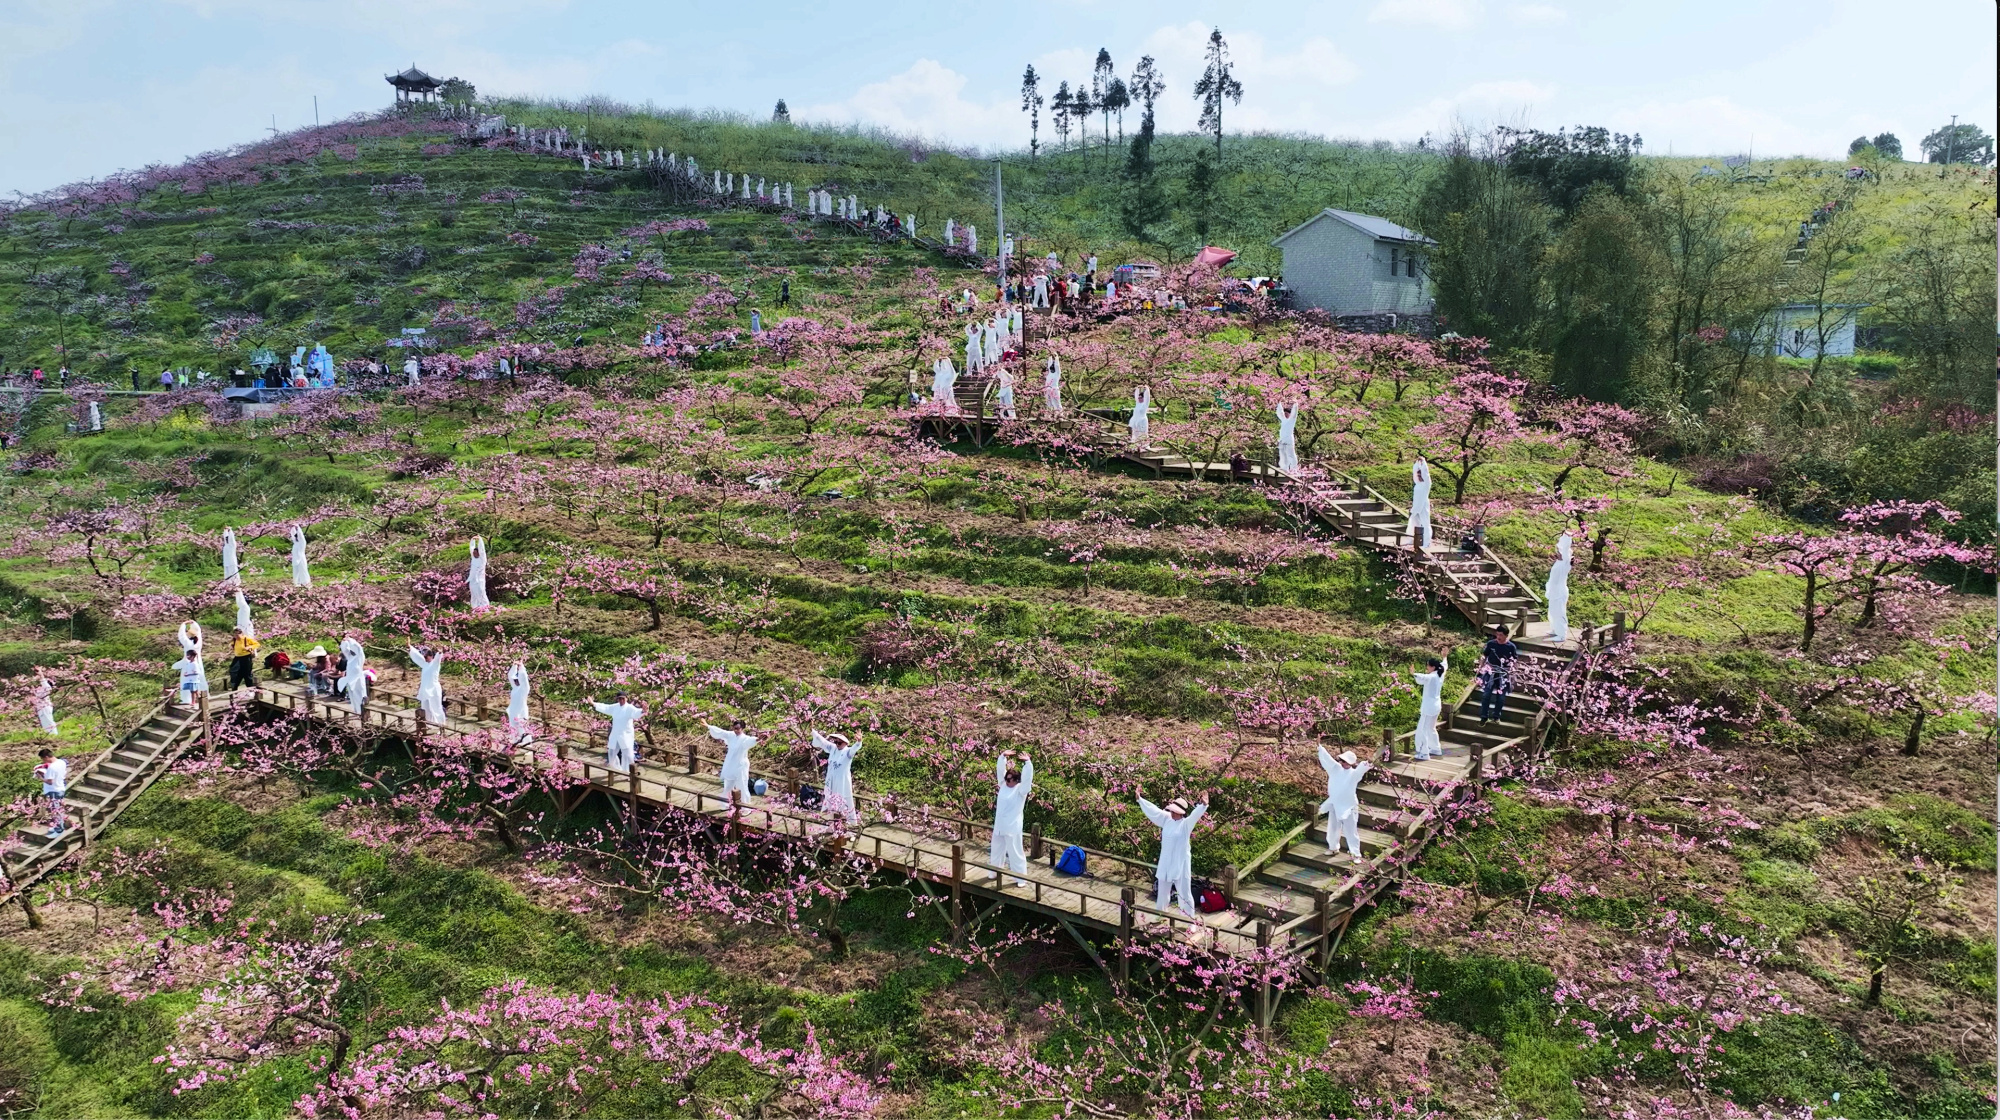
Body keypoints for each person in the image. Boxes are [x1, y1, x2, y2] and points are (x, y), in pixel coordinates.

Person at [1138, 792, 1209, 916]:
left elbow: (1195, 815)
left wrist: (1203, 805)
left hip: (1180, 863)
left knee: (1184, 893)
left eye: (1174, 811)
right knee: (1162, 892)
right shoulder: (1167, 819)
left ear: (1181, 813)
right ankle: (1160, 915)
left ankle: (1189, 920)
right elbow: (1154, 811)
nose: (1171, 813)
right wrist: (1140, 800)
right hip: (1166, 861)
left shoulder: (1186, 824)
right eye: (1171, 811)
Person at [1317, 746, 1373, 859]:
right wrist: (1320, 748)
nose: (1341, 762)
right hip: (1335, 803)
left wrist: (1368, 763)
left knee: (1350, 831)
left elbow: (1361, 769)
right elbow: (1328, 760)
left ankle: (1356, 854)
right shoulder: (1336, 769)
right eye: (1341, 760)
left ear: (1349, 762)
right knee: (1332, 827)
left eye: (1344, 761)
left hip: (1349, 805)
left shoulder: (1354, 774)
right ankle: (1333, 848)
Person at [990, 750, 1034, 886]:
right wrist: (1003, 756)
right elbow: (1000, 770)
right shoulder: (1003, 786)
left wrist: (1027, 763)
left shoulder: (1021, 790)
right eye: (1006, 778)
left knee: (1015, 852)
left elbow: (1027, 779)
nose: (1006, 780)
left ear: (1016, 780)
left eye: (1009, 779)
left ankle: (1021, 878)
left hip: (1012, 826)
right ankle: (994, 871)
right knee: (996, 850)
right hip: (999, 826)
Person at [814, 731, 861, 824]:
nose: (837, 744)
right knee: (830, 799)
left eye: (839, 743)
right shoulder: (833, 749)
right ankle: (831, 823)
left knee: (843, 800)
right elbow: (823, 742)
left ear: (846, 743)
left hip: (842, 781)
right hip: (831, 779)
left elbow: (854, 749)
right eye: (836, 742)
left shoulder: (848, 752)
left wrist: (859, 742)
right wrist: (813, 732)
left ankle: (846, 823)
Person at [708, 719, 757, 804]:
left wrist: (759, 739)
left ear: (742, 728)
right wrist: (708, 726)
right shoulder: (731, 735)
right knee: (728, 785)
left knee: (742, 786)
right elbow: (721, 732)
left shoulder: (745, 738)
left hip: (741, 765)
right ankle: (725, 804)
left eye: (738, 728)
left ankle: (745, 806)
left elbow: (752, 740)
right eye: (734, 728)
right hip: (730, 763)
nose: (736, 730)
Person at [592, 692, 644, 771]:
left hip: (626, 734)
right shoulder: (615, 707)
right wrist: (593, 703)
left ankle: (630, 772)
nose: (621, 700)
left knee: (628, 755)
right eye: (620, 699)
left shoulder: (629, 708)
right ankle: (614, 769)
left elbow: (636, 713)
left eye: (623, 698)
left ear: (626, 698)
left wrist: (643, 711)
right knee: (611, 752)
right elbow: (606, 707)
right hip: (615, 733)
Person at [1477, 625, 1517, 724]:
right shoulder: (1491, 644)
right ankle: (1484, 716)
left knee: (1501, 697)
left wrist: (1512, 670)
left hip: (1503, 672)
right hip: (1490, 670)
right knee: (1486, 694)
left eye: (1501, 635)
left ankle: (1496, 717)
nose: (1498, 637)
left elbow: (1514, 661)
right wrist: (1480, 667)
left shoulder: (1511, 647)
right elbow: (1484, 655)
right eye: (1497, 634)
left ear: (1506, 636)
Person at [1412, 657, 1447, 760]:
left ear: (1433, 667)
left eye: (1428, 665)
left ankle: (1424, 753)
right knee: (1431, 728)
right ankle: (1436, 749)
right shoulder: (1440, 675)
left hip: (1429, 707)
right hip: (1436, 706)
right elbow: (1445, 665)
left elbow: (1423, 678)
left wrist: (1413, 673)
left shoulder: (1432, 677)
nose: (1427, 667)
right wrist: (1444, 657)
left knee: (1422, 729)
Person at [1545, 531, 1573, 641]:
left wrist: (1567, 537)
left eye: (1559, 551)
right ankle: (1555, 629)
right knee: (1552, 610)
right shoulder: (1558, 562)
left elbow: (1565, 548)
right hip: (1553, 589)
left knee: (1559, 611)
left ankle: (1561, 634)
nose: (1558, 553)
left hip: (1560, 591)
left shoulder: (1565, 562)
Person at [34, 748, 68, 838]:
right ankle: (57, 826)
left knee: (55, 811)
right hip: (60, 787)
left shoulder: (52, 767)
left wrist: (40, 777)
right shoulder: (61, 762)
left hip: (53, 790)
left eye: (43, 759)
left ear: (46, 757)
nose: (43, 761)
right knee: (57, 809)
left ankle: (59, 830)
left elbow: (49, 781)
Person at [409, 646, 447, 724]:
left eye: (426, 657)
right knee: (425, 708)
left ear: (431, 656)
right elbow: (417, 657)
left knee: (436, 708)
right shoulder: (425, 664)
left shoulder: (435, 664)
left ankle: (441, 725)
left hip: (434, 690)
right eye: (424, 657)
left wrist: (439, 653)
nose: (425, 658)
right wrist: (410, 648)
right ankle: (429, 724)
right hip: (425, 689)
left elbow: (438, 658)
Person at [1407, 457, 1434, 550]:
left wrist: (1423, 463)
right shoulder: (1417, 484)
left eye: (1420, 474)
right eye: (1418, 474)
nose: (1419, 475)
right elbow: (1415, 471)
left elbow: (1426, 473)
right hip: (1416, 505)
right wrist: (1417, 464)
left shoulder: (1427, 484)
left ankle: (1426, 542)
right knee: (1414, 522)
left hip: (1423, 505)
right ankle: (1413, 539)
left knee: (1425, 523)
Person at [337, 637, 369, 715]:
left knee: (361, 696)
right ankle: (356, 711)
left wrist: (350, 640)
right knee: (352, 696)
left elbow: (358, 648)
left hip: (358, 680)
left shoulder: (359, 658)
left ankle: (362, 712)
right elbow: (345, 650)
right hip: (350, 680)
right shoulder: (350, 658)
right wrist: (345, 642)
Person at [506, 663, 532, 743]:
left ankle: (526, 744)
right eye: (515, 680)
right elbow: (510, 676)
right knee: (513, 727)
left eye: (517, 679)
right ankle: (515, 742)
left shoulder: (524, 688)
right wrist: (514, 666)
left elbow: (524, 678)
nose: (515, 681)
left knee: (522, 727)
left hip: (521, 710)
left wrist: (521, 667)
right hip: (513, 710)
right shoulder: (515, 688)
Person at [228, 625, 260, 691]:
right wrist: (231, 646)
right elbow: (231, 644)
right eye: (235, 634)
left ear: (241, 634)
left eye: (238, 634)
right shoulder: (234, 640)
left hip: (246, 657)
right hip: (237, 657)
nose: (237, 636)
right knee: (233, 671)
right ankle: (234, 686)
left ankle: (250, 689)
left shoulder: (246, 639)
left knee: (247, 673)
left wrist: (250, 647)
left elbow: (257, 644)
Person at [1275, 401, 1302, 475]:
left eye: (1287, 413)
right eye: (1285, 413)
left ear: (1289, 414)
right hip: (1282, 440)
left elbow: (1294, 414)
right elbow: (1279, 412)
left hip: (1289, 441)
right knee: (1283, 455)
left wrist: (1295, 405)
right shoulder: (1283, 420)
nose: (1286, 414)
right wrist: (1279, 403)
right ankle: (1285, 469)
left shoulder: (1291, 420)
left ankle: (1294, 469)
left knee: (1291, 455)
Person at [467, 537, 490, 611]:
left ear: (479, 553)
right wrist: (472, 540)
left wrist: (480, 539)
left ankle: (485, 607)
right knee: (473, 593)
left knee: (481, 592)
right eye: (473, 553)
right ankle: (475, 607)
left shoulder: (482, 559)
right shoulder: (473, 558)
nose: (474, 554)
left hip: (480, 579)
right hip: (472, 579)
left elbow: (482, 549)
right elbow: (471, 548)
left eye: (476, 553)